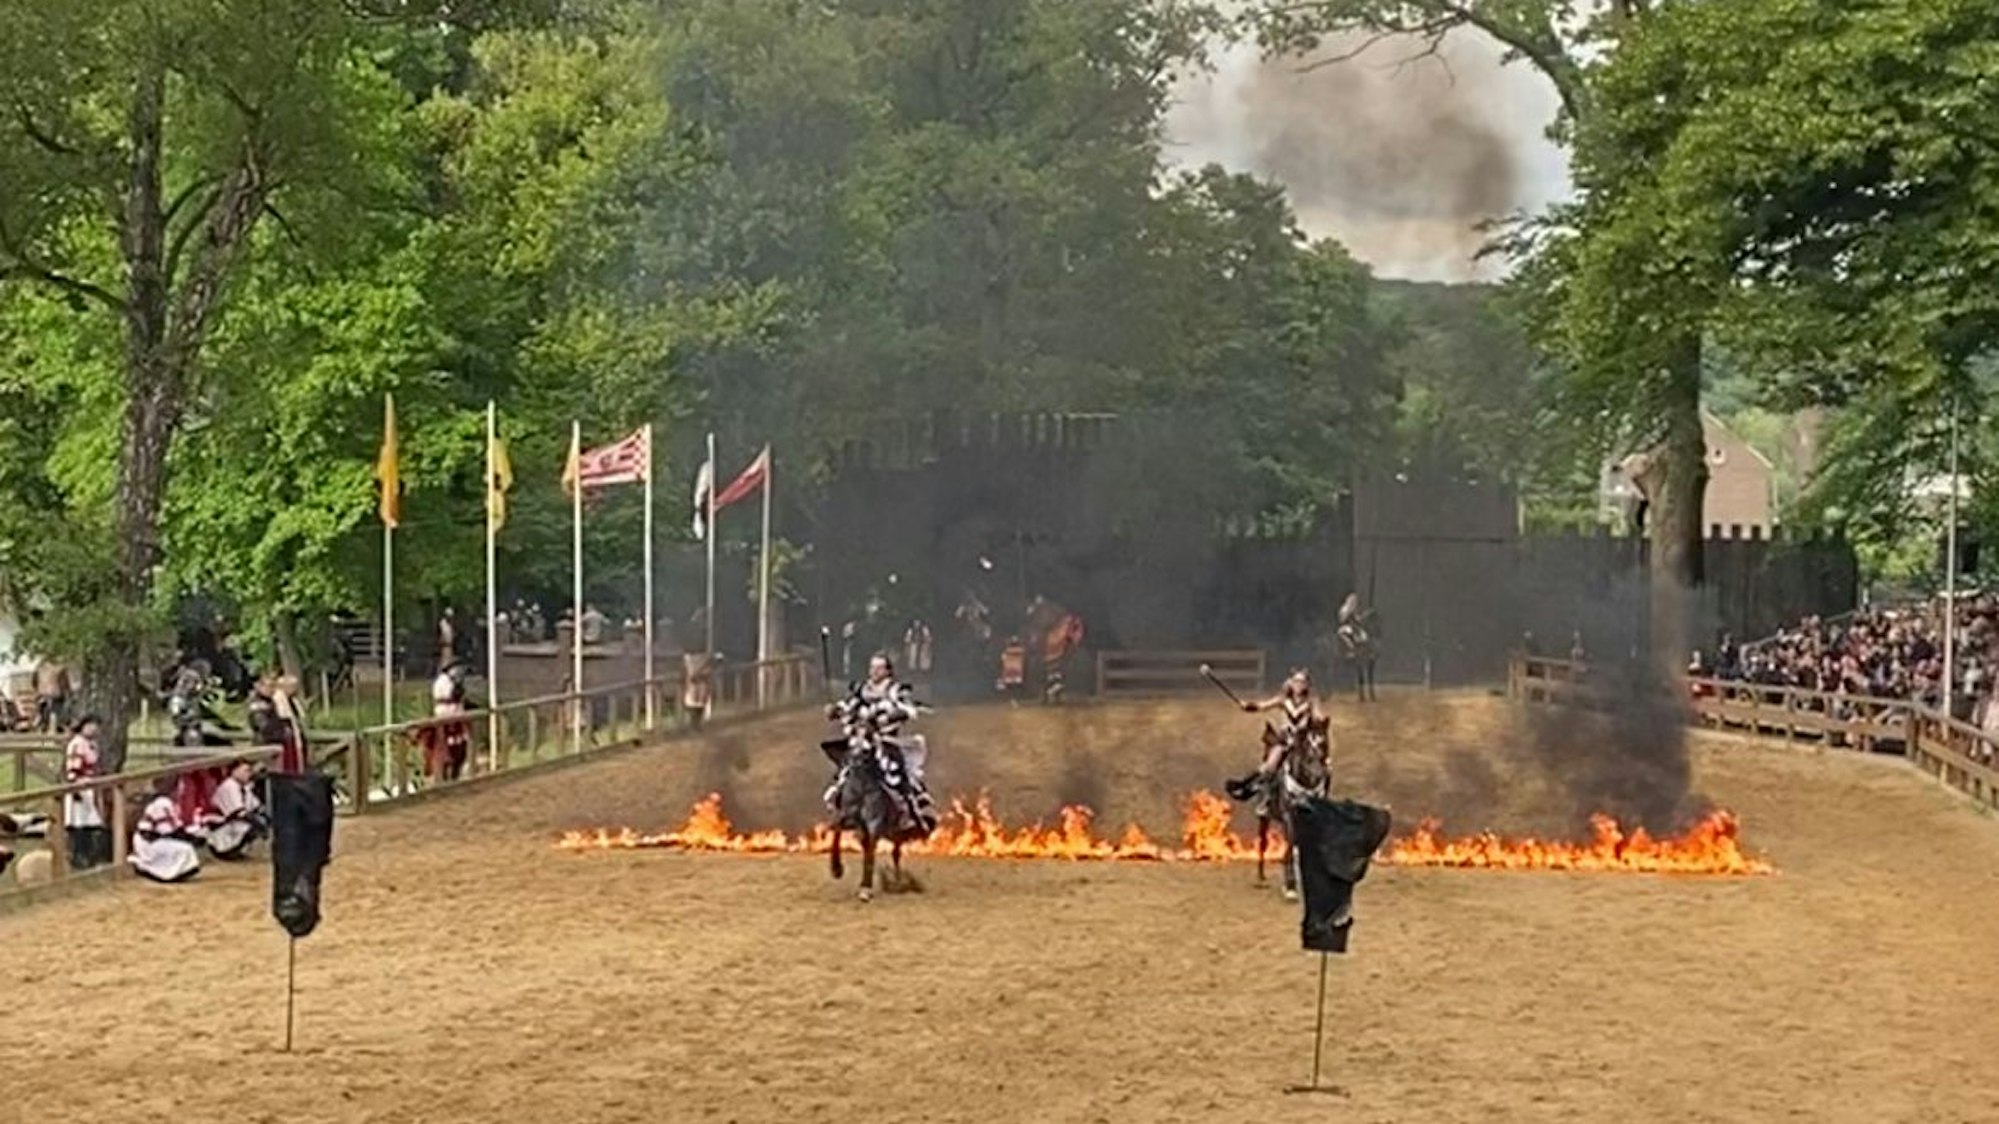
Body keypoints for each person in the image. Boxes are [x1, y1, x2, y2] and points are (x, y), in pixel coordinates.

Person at [823, 654, 937, 833]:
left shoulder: (896, 689)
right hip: (860, 739)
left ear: (887, 670)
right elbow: (848, 706)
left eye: (879, 668)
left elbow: (909, 709)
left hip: (887, 740)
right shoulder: (861, 689)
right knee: (846, 769)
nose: (874, 671)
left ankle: (912, 814)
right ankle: (841, 810)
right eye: (872, 667)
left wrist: (892, 715)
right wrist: (835, 710)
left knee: (897, 773)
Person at [1240, 669, 1328, 778]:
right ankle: (1259, 782)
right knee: (1271, 764)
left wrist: (1320, 719)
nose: (1298, 685)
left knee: (1322, 763)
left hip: (1303, 740)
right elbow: (1262, 706)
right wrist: (1248, 706)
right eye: (1296, 681)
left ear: (1307, 685)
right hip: (1285, 740)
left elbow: (1317, 715)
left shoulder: (1311, 702)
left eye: (1302, 682)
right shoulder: (1282, 700)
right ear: (1290, 683)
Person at [130, 778, 202, 883]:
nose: (182, 789)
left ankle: (171, 872)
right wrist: (190, 839)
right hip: (147, 841)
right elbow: (166, 831)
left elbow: (176, 829)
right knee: (185, 849)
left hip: (155, 839)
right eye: (179, 786)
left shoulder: (171, 803)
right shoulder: (163, 802)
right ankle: (153, 870)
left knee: (185, 847)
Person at [62, 715, 109, 870]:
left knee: (92, 822)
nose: (93, 729)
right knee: (79, 822)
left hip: (91, 787)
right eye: (90, 726)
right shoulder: (76, 744)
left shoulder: (92, 744)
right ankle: (78, 856)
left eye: (96, 726)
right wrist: (75, 788)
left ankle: (91, 855)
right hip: (80, 787)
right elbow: (72, 768)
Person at [205, 759, 268, 861]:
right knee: (251, 825)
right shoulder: (229, 785)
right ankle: (228, 852)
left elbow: (255, 806)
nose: (248, 774)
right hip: (219, 829)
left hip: (231, 824)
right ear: (234, 771)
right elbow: (238, 813)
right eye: (245, 771)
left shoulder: (244, 787)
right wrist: (260, 824)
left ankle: (237, 851)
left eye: (249, 771)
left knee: (257, 822)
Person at [424, 661, 472, 782]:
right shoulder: (443, 681)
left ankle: (455, 774)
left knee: (460, 747)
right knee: (446, 749)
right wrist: (458, 686)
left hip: (456, 717)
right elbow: (453, 695)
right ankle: (444, 776)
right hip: (446, 718)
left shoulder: (453, 681)